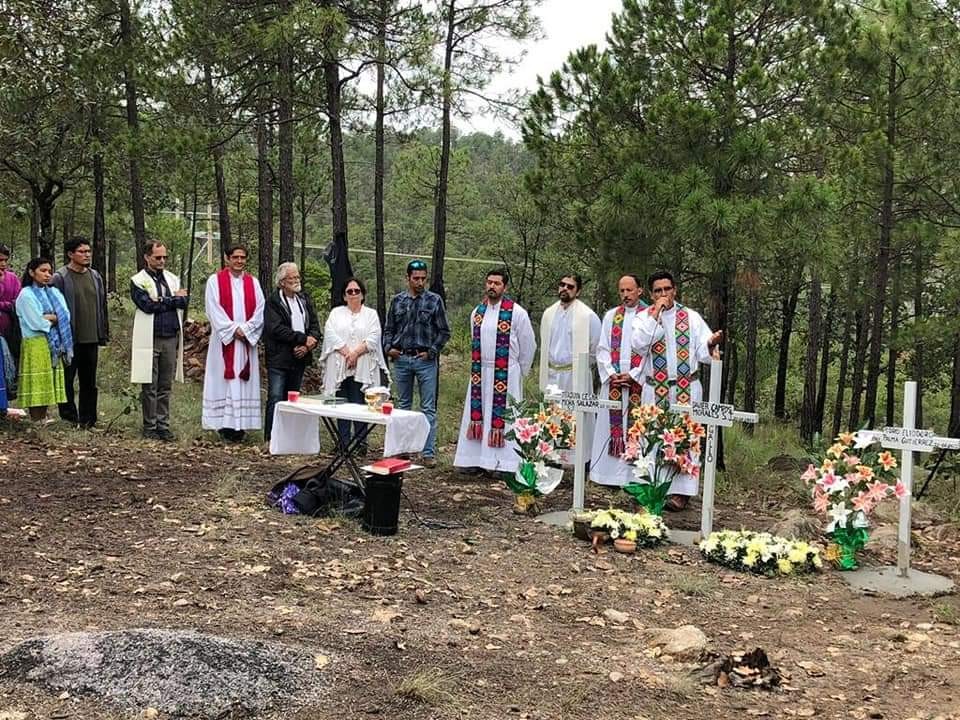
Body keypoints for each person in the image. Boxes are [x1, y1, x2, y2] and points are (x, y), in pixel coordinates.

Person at [631, 270, 722, 510]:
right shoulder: (643, 318)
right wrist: (656, 317)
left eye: (667, 289)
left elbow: (703, 348)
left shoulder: (690, 317)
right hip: (655, 388)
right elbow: (640, 345)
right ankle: (652, 487)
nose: (664, 294)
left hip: (685, 387)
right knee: (653, 438)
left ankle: (681, 492)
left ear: (675, 290)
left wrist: (711, 343)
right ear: (651, 294)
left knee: (684, 437)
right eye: (658, 291)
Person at [453, 268, 536, 475]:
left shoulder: (516, 312)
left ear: (504, 287)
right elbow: (475, 341)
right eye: (489, 282)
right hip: (481, 373)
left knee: (505, 417)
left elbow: (529, 345)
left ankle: (504, 464)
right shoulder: (477, 313)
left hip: (507, 373)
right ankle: (474, 459)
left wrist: (519, 371)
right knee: (478, 414)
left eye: (496, 283)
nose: (492, 286)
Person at [383, 259, 450, 467]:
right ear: (408, 278)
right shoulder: (397, 301)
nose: (420, 282)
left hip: (425, 359)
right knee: (403, 407)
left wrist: (432, 351)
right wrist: (388, 348)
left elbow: (444, 331)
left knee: (427, 407)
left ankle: (428, 452)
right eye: (416, 278)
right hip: (401, 358)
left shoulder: (434, 301)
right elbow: (389, 328)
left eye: (423, 278)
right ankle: (403, 450)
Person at [202, 245, 265, 442]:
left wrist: (245, 330)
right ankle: (224, 426)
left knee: (243, 382)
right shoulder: (215, 281)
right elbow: (213, 309)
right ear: (227, 258)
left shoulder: (253, 283)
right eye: (235, 257)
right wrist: (232, 329)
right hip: (223, 342)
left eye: (242, 257)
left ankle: (241, 427)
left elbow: (260, 310)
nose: (239, 261)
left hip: (245, 342)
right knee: (223, 381)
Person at [590, 274, 648, 487]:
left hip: (638, 382)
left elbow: (650, 351)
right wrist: (610, 372)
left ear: (639, 290)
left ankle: (635, 477)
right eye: (622, 291)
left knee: (636, 428)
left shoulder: (650, 316)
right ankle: (608, 475)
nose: (625, 295)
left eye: (629, 290)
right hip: (614, 380)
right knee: (610, 427)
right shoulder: (611, 315)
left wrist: (633, 374)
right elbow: (602, 348)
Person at [320, 277, 389, 453]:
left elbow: (374, 337)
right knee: (342, 403)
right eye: (349, 291)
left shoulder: (371, 314)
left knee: (360, 404)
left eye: (356, 291)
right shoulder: (336, 313)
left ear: (362, 294)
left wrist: (356, 353)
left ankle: (360, 444)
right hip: (340, 366)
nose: (353, 294)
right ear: (344, 296)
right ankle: (342, 443)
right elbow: (330, 333)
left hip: (363, 366)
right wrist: (346, 353)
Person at [130, 241, 189, 441]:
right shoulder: (138, 280)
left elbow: (183, 301)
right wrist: (171, 300)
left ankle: (163, 425)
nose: (162, 260)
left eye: (164, 257)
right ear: (147, 257)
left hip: (171, 336)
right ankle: (149, 425)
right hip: (150, 336)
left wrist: (162, 300)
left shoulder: (172, 279)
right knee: (150, 384)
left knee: (165, 384)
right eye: (158, 257)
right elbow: (146, 305)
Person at [52, 237, 109, 428]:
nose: (86, 255)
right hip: (69, 339)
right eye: (82, 252)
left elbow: (102, 306)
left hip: (91, 337)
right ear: (70, 254)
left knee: (89, 381)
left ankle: (88, 419)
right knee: (67, 379)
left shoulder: (95, 276)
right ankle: (69, 418)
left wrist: (103, 331)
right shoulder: (60, 278)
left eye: (88, 251)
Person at [264, 262, 321, 442]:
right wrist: (301, 339)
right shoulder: (273, 301)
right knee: (275, 397)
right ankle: (271, 437)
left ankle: (288, 438)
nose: (296, 280)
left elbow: (314, 326)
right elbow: (276, 329)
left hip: (299, 358)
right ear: (282, 282)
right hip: (279, 358)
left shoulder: (304, 299)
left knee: (292, 399)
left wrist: (308, 345)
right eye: (292, 278)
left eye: (297, 277)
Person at [16, 258, 72, 422]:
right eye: (43, 271)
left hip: (53, 343)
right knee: (37, 380)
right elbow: (37, 322)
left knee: (48, 380)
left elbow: (65, 315)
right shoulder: (26, 294)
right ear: (32, 273)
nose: (47, 275)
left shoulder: (54, 292)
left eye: (49, 271)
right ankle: (36, 418)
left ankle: (43, 417)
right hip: (35, 342)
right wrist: (54, 318)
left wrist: (52, 317)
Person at [538, 274, 601, 393]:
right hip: (551, 374)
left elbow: (595, 348)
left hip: (574, 375)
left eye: (570, 286)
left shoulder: (588, 316)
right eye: (562, 285)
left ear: (578, 292)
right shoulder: (548, 314)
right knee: (551, 410)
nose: (565, 288)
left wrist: (579, 365)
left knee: (574, 411)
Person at [0, 244, 21, 361]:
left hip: (10, 330)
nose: (3, 264)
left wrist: (3, 305)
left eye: (5, 260)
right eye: (0, 260)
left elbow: (18, 302)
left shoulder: (12, 278)